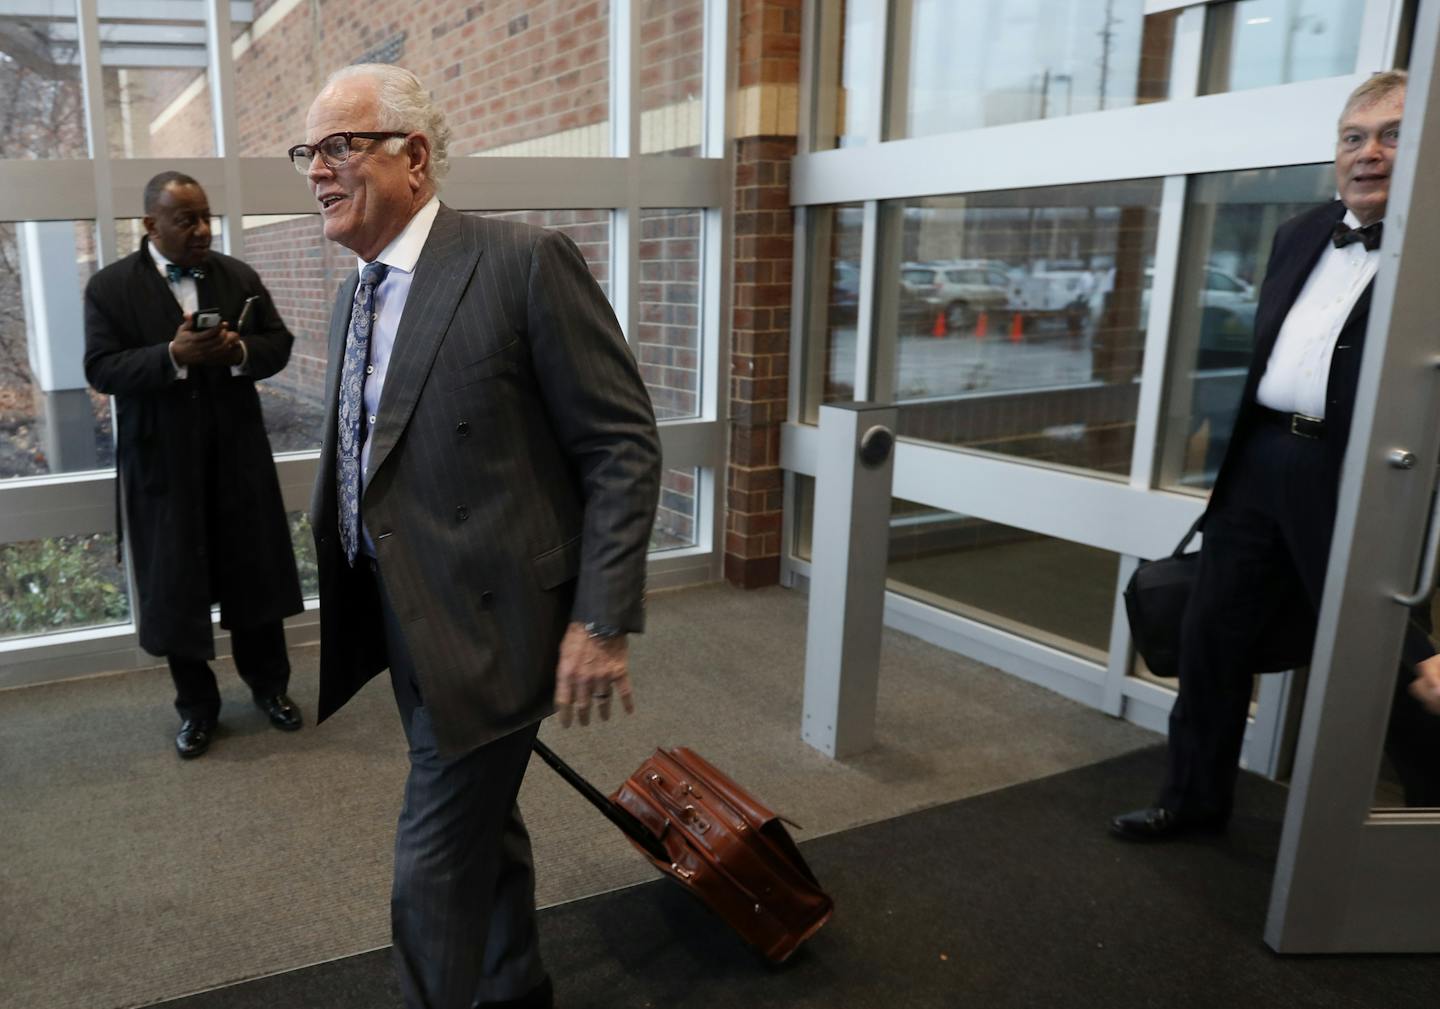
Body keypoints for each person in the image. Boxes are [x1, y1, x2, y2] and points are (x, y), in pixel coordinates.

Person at [299, 64, 660, 1008]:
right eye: (310, 151)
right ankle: (516, 989)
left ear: (413, 157)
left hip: (500, 624)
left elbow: (620, 445)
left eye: (340, 146)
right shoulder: (354, 297)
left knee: (432, 872)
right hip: (407, 619)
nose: (317, 170)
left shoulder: (521, 262)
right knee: (482, 834)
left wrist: (602, 618)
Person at [1112, 70, 1440, 838]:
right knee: (1210, 635)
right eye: (1353, 138)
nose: (1369, 153)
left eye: (1393, 134)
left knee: (1393, 661)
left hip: (1359, 472)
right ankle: (1191, 802)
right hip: (1261, 460)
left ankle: (1430, 833)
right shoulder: (1300, 232)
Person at [84, 172, 305, 760]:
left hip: (237, 457)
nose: (202, 230)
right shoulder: (109, 288)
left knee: (252, 576)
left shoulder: (237, 276)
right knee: (178, 589)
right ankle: (198, 711)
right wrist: (171, 356)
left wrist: (237, 351)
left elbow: (278, 343)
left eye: (206, 217)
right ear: (151, 225)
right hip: (163, 466)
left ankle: (271, 690)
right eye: (187, 220)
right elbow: (101, 369)